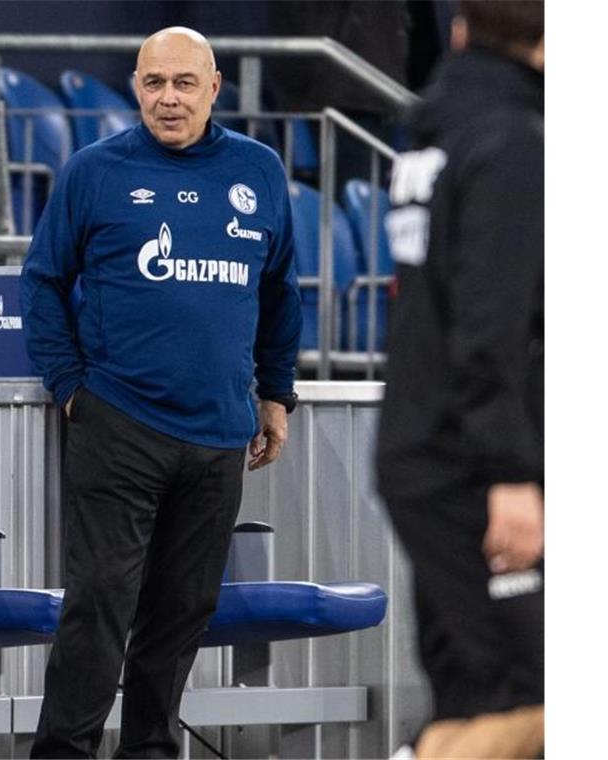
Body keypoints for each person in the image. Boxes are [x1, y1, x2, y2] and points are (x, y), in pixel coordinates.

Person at [20, 27, 302, 758]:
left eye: (183, 83)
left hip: (220, 435)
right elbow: (44, 282)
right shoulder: (95, 171)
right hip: (119, 424)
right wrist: (72, 389)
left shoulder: (260, 171)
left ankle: (150, 751)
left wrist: (275, 395)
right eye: (153, 83)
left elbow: (279, 293)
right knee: (99, 607)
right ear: (135, 87)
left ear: (214, 87)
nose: (167, 99)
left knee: (182, 614)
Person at [376, 2, 544, 757]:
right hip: (470, 465)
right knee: (541, 698)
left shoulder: (441, 127)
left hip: (433, 446)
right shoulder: (511, 139)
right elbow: (490, 325)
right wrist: (510, 474)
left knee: (476, 703)